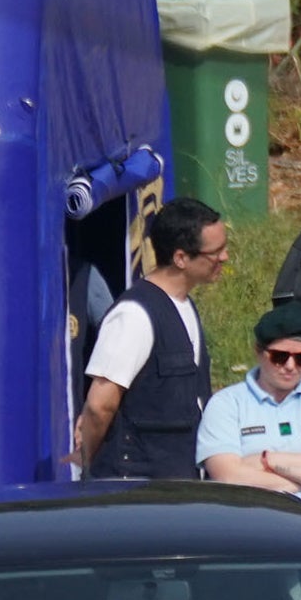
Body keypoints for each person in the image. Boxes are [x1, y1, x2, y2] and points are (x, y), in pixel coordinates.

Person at [72, 196, 227, 479]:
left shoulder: (185, 305)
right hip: (134, 489)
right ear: (181, 258)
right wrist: (87, 468)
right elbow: (99, 405)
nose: (224, 257)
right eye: (215, 252)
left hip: (179, 484)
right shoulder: (133, 316)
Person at [197, 303, 301, 515]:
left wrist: (270, 460)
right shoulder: (226, 404)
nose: (291, 366)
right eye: (280, 357)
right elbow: (230, 478)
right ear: (259, 352)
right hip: (249, 526)